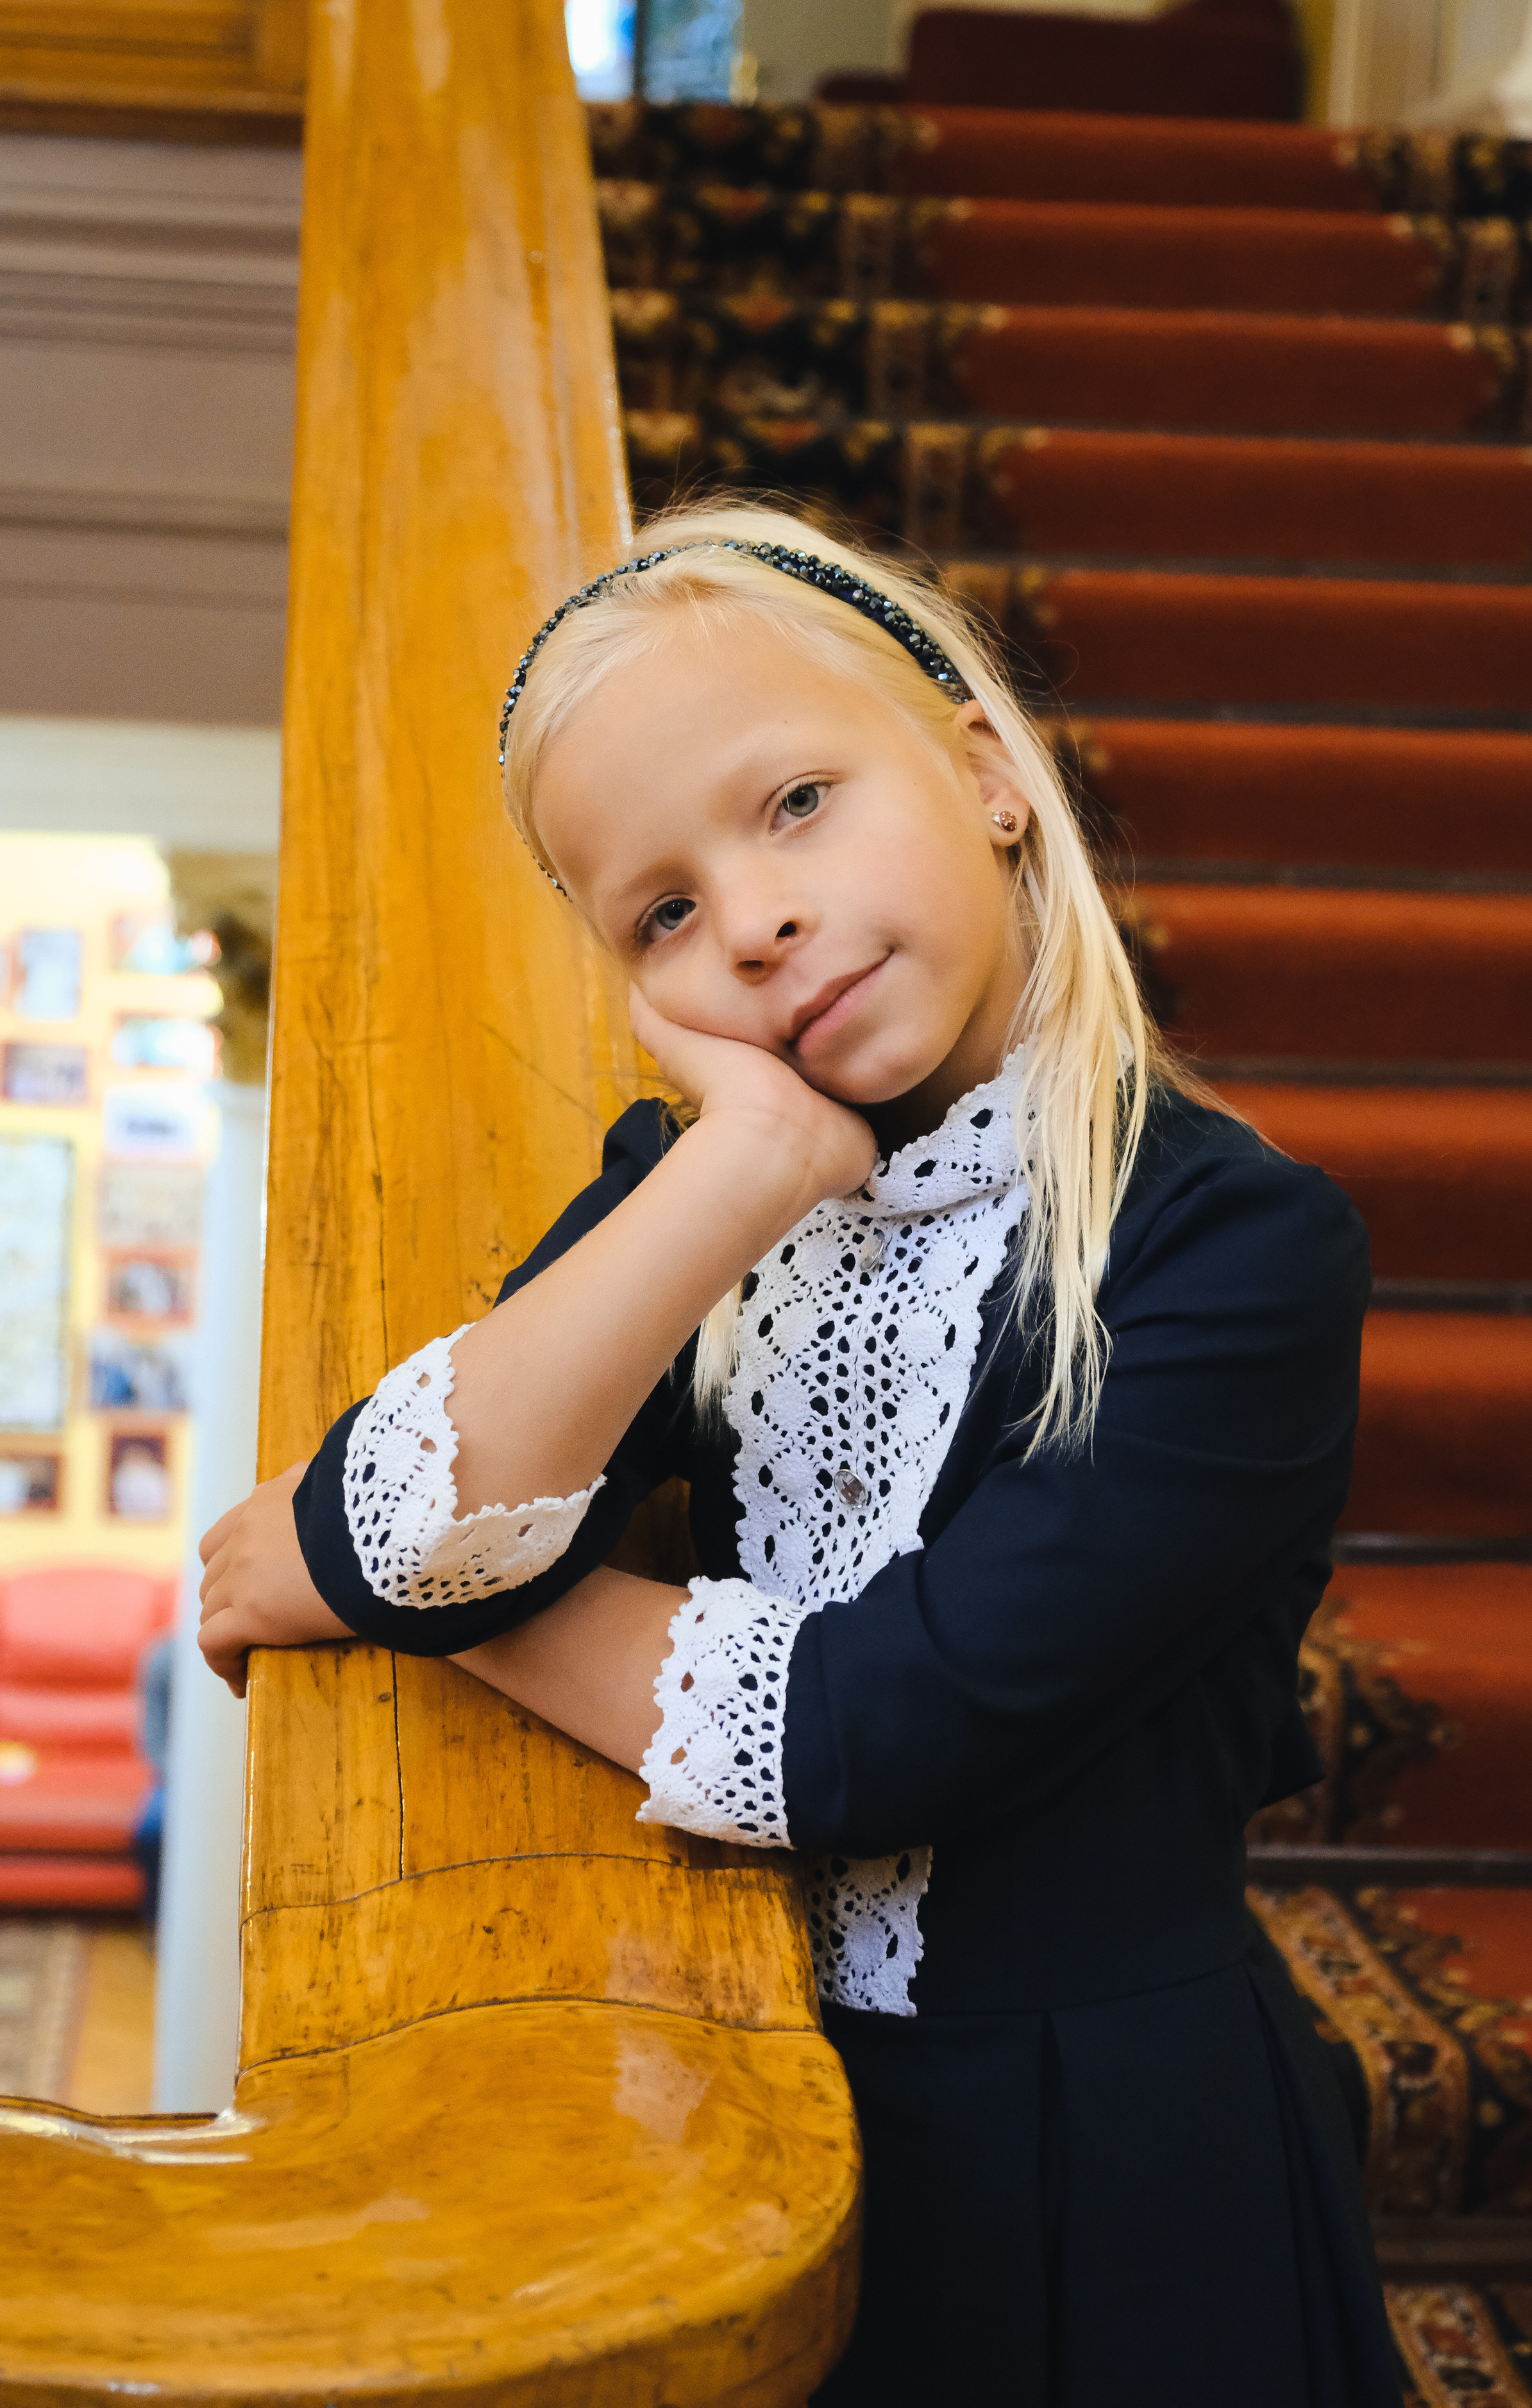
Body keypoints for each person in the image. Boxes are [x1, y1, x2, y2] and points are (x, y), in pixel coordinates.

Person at [196, 502, 1404, 2407]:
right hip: (736, 2086)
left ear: (989, 773)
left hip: (1099, 2161)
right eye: (662, 913)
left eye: (797, 806)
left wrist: (447, 1612)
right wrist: (747, 1168)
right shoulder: (692, 1196)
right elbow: (401, 1510)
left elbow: (872, 1727)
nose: (750, 919)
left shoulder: (1233, 1251)